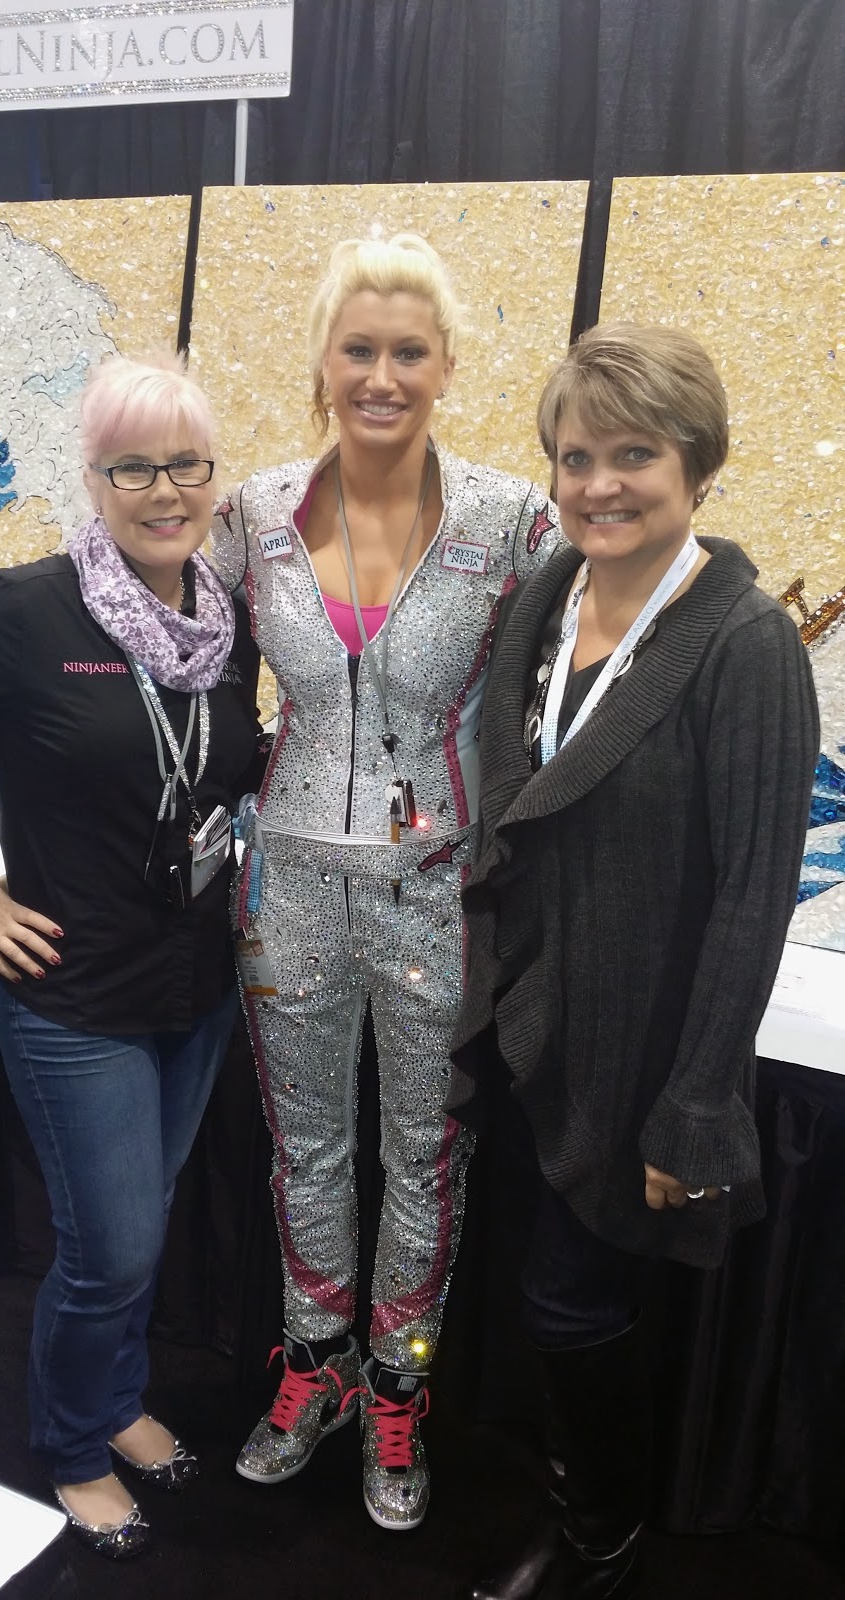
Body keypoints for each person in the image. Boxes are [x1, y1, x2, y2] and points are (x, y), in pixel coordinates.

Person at [448, 323, 820, 1599]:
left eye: (635, 455)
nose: (599, 485)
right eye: (575, 457)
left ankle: (600, 1536)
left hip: (639, 1050)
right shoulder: (545, 602)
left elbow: (753, 897)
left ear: (698, 466)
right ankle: (576, 1500)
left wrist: (697, 1103)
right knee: (540, 1294)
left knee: (575, 1304)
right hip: (524, 1021)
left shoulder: (744, 644)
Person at [211, 233, 560, 1529]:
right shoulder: (253, 515)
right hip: (287, 887)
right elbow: (180, 657)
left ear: (446, 366)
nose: (381, 375)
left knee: (427, 1152)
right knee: (306, 1148)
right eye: (358, 349)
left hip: (439, 894)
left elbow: (569, 688)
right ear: (323, 362)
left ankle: (399, 1385)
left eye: (409, 351)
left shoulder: (511, 521)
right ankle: (317, 1365)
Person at [0, 354, 262, 1560]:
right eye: (133, 467)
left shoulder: (224, 621)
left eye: (186, 463)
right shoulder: (30, 610)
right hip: (71, 995)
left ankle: (118, 1396)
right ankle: (74, 1441)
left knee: (149, 1216)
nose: (164, 489)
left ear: (212, 478)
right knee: (110, 1244)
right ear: (93, 478)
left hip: (197, 985)